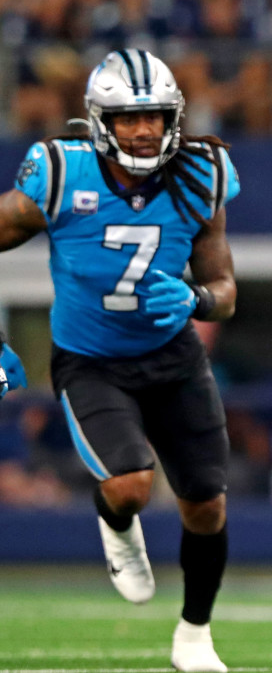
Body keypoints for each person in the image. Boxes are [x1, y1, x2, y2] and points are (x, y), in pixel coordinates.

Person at [0, 49, 239, 672]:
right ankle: (118, 526)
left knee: (207, 504)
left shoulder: (201, 173)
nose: (143, 130)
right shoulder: (59, 173)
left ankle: (194, 634)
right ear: (100, 121)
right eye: (129, 118)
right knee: (131, 485)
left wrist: (196, 297)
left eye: (156, 117)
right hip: (92, 360)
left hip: (174, 357)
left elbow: (225, 290)